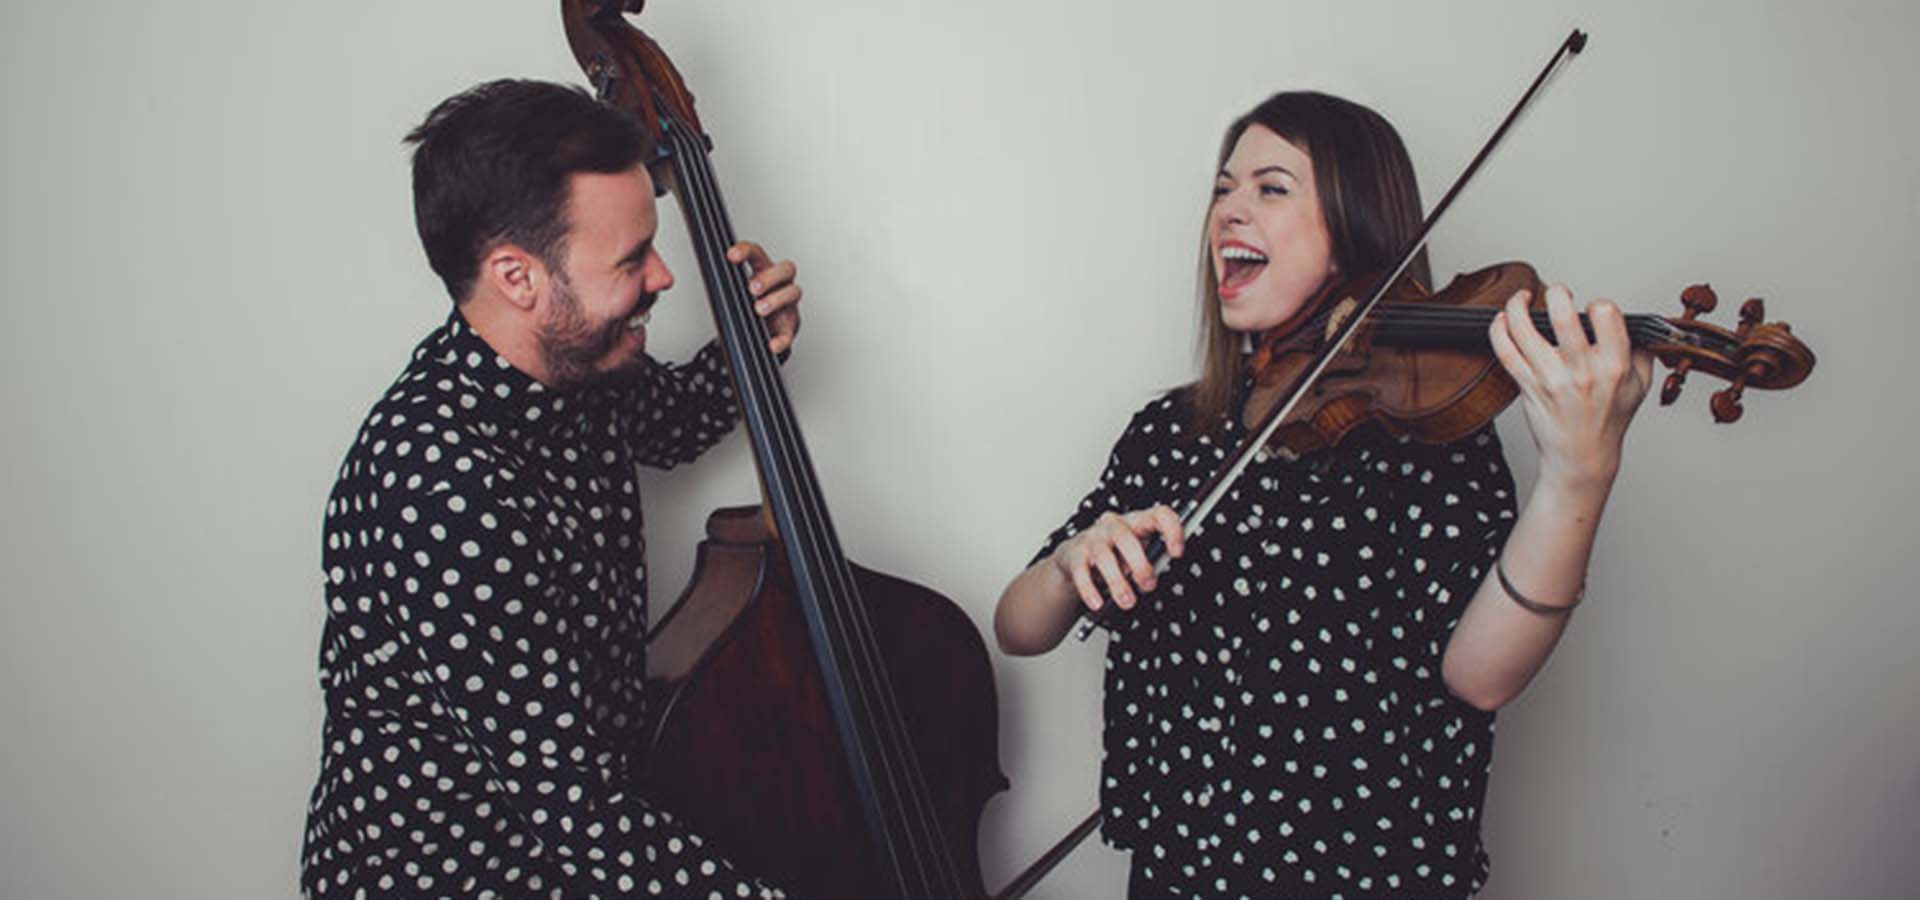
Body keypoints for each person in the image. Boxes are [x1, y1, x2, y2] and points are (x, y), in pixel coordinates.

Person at [993, 91, 1653, 898]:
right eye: (1222, 188)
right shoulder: (1174, 429)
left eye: (1271, 188)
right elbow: (1018, 627)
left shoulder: (1432, 441)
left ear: (1354, 229)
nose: (1230, 211)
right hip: (1177, 873)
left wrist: (1578, 473)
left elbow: (1481, 678)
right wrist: (1069, 565)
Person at [301, 79, 803, 898]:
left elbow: (672, 427)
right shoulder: (438, 488)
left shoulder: (578, 361)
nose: (666, 277)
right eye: (632, 257)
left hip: (567, 848)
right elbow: (579, 814)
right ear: (517, 276)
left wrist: (755, 345)